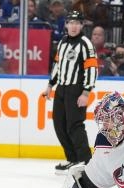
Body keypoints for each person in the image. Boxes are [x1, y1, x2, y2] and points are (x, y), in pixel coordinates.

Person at [42, 10, 98, 174]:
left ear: (82, 25)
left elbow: (92, 69)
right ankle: (72, 159)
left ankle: (85, 161)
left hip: (76, 89)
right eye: (71, 23)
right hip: (62, 89)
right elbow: (57, 66)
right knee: (59, 125)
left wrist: (86, 92)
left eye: (77, 23)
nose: (73, 26)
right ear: (66, 24)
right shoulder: (63, 42)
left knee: (75, 125)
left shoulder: (85, 43)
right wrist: (50, 85)